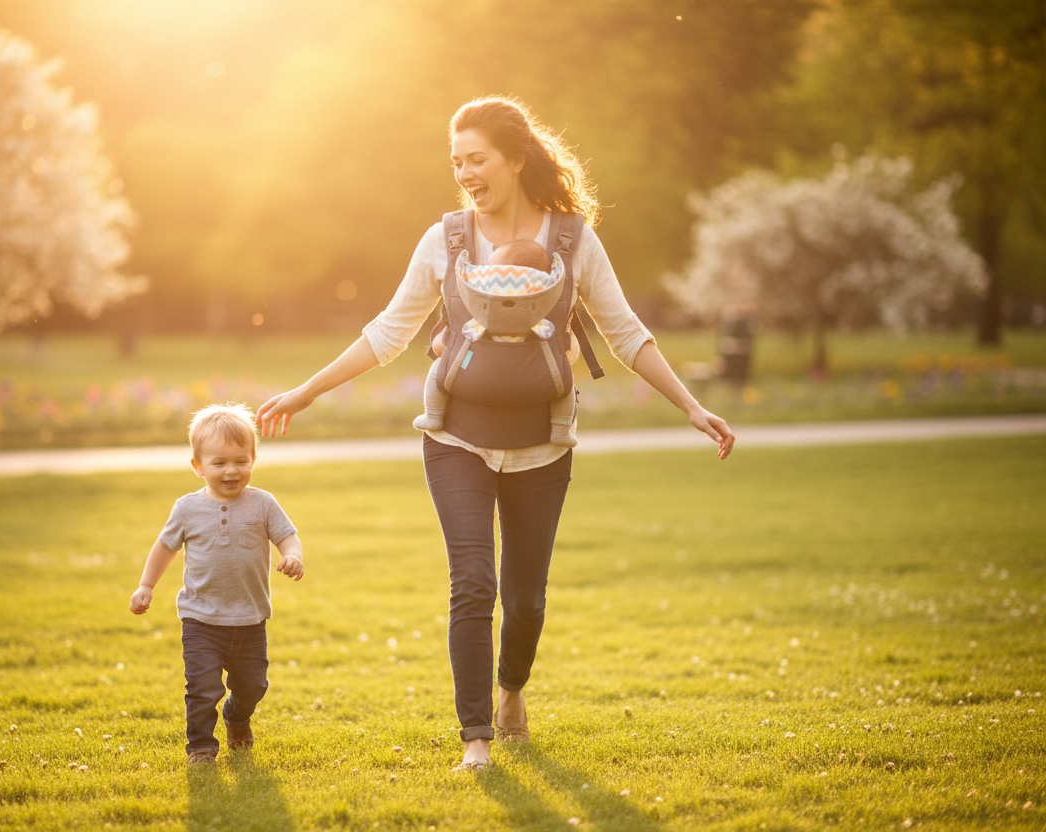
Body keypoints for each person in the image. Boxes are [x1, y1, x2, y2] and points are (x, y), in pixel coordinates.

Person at [256, 96, 733, 771]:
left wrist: (690, 406)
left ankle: (512, 689)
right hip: (455, 437)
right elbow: (390, 332)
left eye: (476, 159)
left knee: (527, 599)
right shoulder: (445, 240)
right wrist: (306, 391)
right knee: (473, 582)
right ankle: (475, 738)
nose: (465, 172)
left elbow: (625, 332)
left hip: (543, 442)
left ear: (514, 158)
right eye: (456, 162)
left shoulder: (571, 240)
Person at [128, 403, 305, 765]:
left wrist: (293, 556)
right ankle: (202, 747)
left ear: (253, 460)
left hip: (250, 619)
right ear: (198, 466)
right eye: (219, 463)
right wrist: (146, 586)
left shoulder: (263, 504)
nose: (231, 471)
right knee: (202, 688)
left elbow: (287, 536)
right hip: (201, 620)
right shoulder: (187, 509)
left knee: (253, 686)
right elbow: (164, 548)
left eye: (241, 461)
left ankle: (237, 717)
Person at [414, 239, 580, 447]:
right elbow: (571, 355)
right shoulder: (543, 306)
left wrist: (446, 338)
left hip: (472, 365)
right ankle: (562, 430)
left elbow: (439, 347)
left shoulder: (483, 294)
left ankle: (433, 415)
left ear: (501, 271)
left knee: (440, 368)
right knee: (565, 382)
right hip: (537, 374)